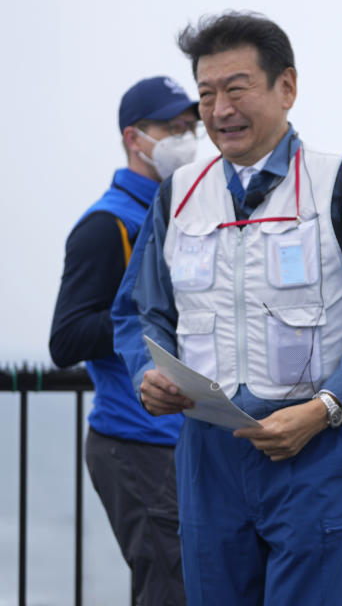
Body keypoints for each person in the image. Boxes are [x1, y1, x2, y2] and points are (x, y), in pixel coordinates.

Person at [111, 12, 342, 605]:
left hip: (315, 454)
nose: (220, 108)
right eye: (206, 93)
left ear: (287, 87)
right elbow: (138, 312)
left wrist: (325, 409)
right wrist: (146, 372)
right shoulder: (177, 196)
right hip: (208, 459)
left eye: (236, 87)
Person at [49, 75, 198, 606]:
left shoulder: (176, 213)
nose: (186, 138)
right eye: (171, 128)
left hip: (177, 439)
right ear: (135, 138)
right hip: (134, 442)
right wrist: (157, 321)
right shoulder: (106, 225)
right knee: (170, 589)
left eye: (189, 127)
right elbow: (65, 339)